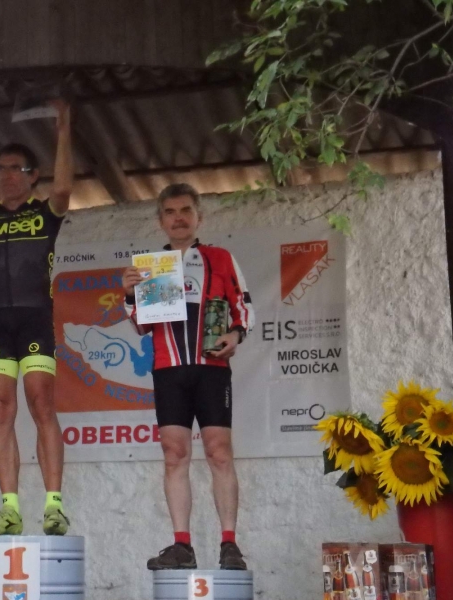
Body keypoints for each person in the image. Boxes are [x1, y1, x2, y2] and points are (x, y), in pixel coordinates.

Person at [0, 101, 73, 536]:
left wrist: (63, 131)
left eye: (15, 169)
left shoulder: (44, 213)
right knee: (1, 410)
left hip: (35, 318)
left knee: (42, 403)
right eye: (0, 169)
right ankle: (10, 509)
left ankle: (54, 506)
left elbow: (64, 189)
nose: (5, 175)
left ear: (32, 175)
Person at [122, 183, 254, 571]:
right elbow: (142, 326)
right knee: (174, 455)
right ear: (160, 220)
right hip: (169, 369)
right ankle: (182, 546)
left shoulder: (220, 258)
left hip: (211, 369)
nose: (178, 218)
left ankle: (229, 544)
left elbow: (243, 308)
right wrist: (129, 295)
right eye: (170, 212)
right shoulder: (151, 267)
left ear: (199, 216)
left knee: (219, 452)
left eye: (185, 211)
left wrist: (236, 335)